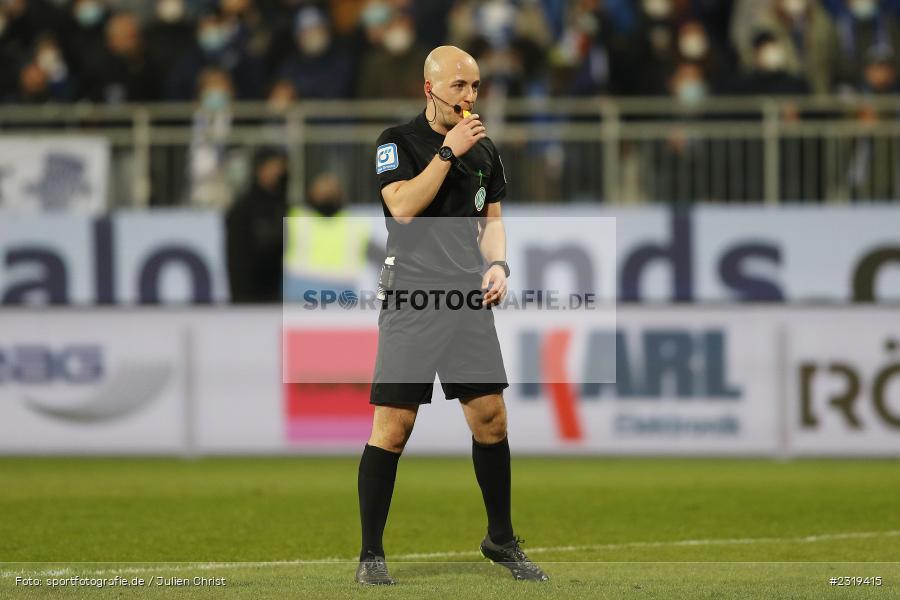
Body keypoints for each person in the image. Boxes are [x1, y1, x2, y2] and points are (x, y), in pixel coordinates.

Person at [355, 45, 549, 585]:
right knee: (394, 426)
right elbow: (402, 207)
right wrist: (446, 152)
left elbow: (492, 221)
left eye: (475, 87)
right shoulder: (397, 142)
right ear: (429, 88)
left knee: (491, 420)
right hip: (412, 298)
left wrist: (500, 265)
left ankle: (501, 540)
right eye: (459, 86)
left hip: (466, 299)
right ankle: (371, 554)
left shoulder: (485, 151)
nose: (469, 96)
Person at [226, 146, 288, 303]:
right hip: (252, 296)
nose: (279, 172)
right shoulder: (243, 209)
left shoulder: (284, 206)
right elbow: (237, 261)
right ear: (260, 169)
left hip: (279, 294)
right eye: (274, 166)